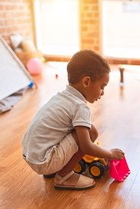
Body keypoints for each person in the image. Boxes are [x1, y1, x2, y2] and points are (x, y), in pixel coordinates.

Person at [22, 50, 125, 190]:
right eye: (102, 87)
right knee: (90, 134)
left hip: (31, 155)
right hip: (43, 161)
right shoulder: (80, 107)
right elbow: (86, 146)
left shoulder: (61, 97)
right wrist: (109, 154)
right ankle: (64, 176)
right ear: (86, 81)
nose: (103, 93)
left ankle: (53, 170)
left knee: (90, 129)